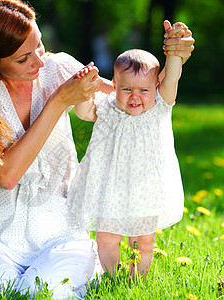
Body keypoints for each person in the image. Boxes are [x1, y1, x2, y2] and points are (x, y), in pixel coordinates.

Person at [0, 0, 194, 297]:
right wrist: (58, 102)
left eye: (40, 46)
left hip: (62, 232)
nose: (40, 62)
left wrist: (175, 59)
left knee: (43, 293)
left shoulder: (58, 67)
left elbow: (134, 100)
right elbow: (6, 175)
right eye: (24, 59)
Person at [69, 21, 186, 278]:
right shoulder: (107, 107)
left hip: (146, 189)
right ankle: (111, 278)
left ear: (156, 87)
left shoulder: (160, 107)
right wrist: (84, 91)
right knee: (107, 238)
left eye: (144, 90)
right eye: (127, 89)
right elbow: (83, 111)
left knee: (143, 241)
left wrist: (174, 48)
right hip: (109, 188)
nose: (135, 96)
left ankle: (136, 280)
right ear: (114, 85)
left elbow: (173, 75)